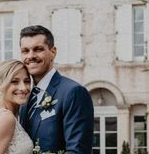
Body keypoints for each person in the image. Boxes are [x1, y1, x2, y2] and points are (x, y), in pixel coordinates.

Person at [19, 25, 94, 154]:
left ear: (53, 52)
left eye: (38, 49)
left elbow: (78, 151)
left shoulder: (73, 92)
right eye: (25, 51)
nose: (31, 56)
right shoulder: (25, 96)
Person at [0, 59, 35, 154]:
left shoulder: (11, 116)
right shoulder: (6, 118)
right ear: (1, 85)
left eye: (27, 81)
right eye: (15, 82)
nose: (23, 88)